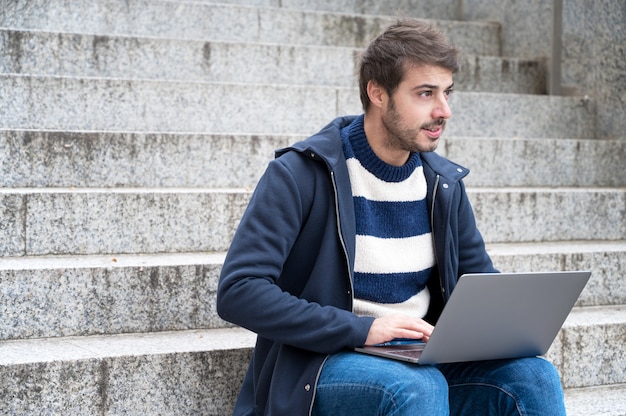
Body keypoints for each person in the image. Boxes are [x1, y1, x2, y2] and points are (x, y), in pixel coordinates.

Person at [217, 18, 566, 416]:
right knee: (416, 387)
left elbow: (479, 283)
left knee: (533, 376)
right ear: (377, 93)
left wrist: (512, 325)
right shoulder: (300, 175)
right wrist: (362, 329)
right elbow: (239, 291)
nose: (444, 110)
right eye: (425, 93)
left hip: (419, 358)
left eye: (447, 93)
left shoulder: (442, 183)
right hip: (323, 363)